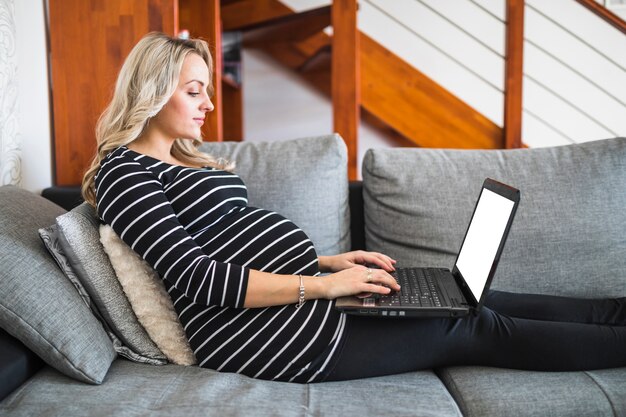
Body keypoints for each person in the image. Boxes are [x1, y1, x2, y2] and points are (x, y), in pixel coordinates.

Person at [81, 32, 626, 383]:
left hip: (298, 304)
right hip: (267, 336)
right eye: (195, 90)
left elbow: (229, 242)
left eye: (207, 89)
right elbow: (197, 280)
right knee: (475, 326)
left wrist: (329, 264)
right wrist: (325, 287)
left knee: (471, 296)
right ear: (152, 93)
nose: (209, 103)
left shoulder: (187, 161)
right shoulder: (125, 172)